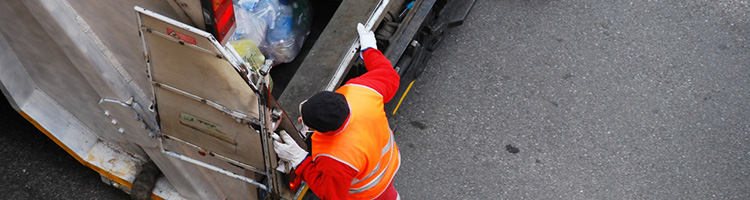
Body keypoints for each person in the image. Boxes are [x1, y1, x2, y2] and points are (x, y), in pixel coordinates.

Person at [272, 23, 401, 200]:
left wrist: (300, 161)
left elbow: (331, 195)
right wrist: (369, 49)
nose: (300, 120)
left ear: (327, 132)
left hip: (368, 193)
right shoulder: (360, 91)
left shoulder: (335, 157)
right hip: (385, 166)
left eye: (306, 122)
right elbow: (389, 76)